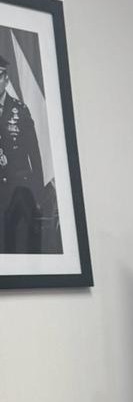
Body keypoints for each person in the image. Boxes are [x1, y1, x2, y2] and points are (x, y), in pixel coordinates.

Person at [0, 51, 43, 255]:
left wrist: (39, 193)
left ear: (6, 79)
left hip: (18, 189)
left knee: (19, 244)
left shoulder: (20, 110)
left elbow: (34, 153)